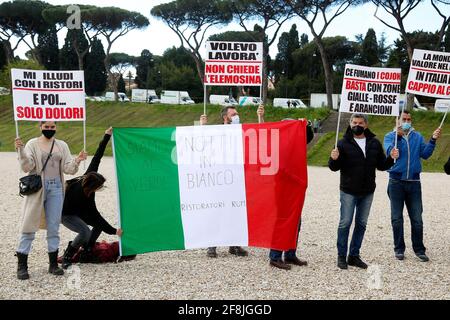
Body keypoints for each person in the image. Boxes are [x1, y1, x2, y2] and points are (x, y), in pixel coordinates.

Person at [14, 121, 87, 280]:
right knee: (29, 224)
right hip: (38, 188)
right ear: (40, 127)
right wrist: (20, 150)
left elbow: (68, 169)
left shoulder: (62, 145)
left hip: (56, 188)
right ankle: (22, 265)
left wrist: (78, 160)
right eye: (46, 127)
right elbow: (27, 167)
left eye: (52, 127)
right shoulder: (32, 143)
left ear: (56, 128)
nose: (49, 129)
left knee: (54, 226)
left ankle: (53, 264)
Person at [329, 113, 398, 270]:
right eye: (354, 122)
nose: (357, 125)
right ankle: (341, 256)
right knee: (345, 223)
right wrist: (333, 158)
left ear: (366, 125)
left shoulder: (374, 142)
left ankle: (354, 255)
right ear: (350, 123)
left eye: (360, 122)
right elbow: (334, 167)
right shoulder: (342, 143)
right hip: (348, 190)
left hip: (367, 191)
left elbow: (381, 165)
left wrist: (391, 158)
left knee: (361, 224)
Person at [199, 105, 265, 258]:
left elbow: (261, 134)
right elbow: (201, 143)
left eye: (237, 113)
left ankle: (234, 245)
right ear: (225, 117)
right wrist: (202, 127)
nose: (237, 116)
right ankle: (212, 245)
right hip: (219, 179)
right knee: (216, 211)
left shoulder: (242, 130)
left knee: (236, 210)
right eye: (233, 114)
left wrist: (260, 117)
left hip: (237, 178)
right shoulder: (217, 131)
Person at [384, 110, 442, 262]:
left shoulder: (417, 136)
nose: (407, 121)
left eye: (409, 119)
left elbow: (425, 154)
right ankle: (399, 249)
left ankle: (419, 249)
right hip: (396, 182)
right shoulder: (390, 136)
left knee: (417, 218)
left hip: (414, 183)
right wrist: (393, 150)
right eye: (404, 119)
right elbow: (390, 151)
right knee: (396, 218)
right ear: (397, 120)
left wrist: (433, 140)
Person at [61, 127, 123, 269]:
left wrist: (106, 136)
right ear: (92, 187)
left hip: (79, 211)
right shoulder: (81, 196)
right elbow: (95, 216)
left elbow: (97, 156)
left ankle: (87, 250)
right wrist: (114, 231)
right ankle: (68, 256)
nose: (99, 189)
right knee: (85, 231)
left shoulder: (88, 176)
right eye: (99, 187)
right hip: (66, 214)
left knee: (97, 225)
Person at [269, 120, 314, 270]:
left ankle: (290, 253)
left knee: (296, 221)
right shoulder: (279, 143)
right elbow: (279, 167)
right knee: (282, 220)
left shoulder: (297, 143)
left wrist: (305, 126)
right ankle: (275, 256)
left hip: (295, 188)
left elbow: (308, 137)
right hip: (282, 188)